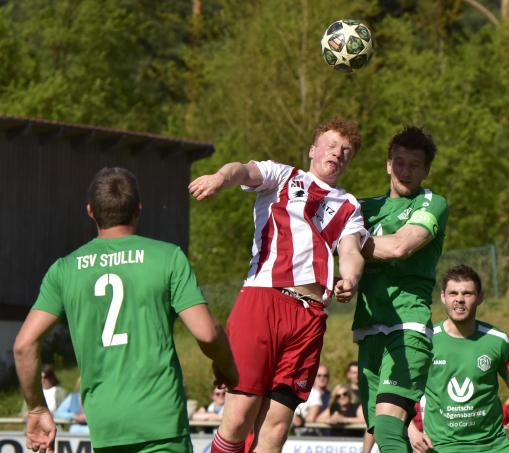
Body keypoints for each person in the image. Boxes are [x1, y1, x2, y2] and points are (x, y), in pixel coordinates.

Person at [13, 167, 238, 453]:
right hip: (162, 421)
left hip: (107, 426)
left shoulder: (64, 269)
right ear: (139, 210)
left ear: (91, 212)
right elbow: (207, 333)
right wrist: (226, 366)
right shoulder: (167, 257)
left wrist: (36, 409)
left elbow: (23, 346)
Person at [189, 118, 367, 453]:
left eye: (346, 151)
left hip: (309, 317)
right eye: (331, 145)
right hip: (264, 298)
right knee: (240, 415)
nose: (338, 153)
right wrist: (218, 178)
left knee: (276, 427)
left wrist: (351, 278)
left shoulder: (349, 205)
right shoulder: (284, 176)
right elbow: (240, 170)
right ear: (313, 149)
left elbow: (351, 251)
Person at [353, 125, 448, 453]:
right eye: (399, 162)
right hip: (367, 328)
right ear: (388, 164)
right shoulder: (364, 208)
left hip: (407, 326)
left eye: (414, 165)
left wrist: (352, 243)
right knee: (382, 430)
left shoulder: (432, 203)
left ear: (425, 170)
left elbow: (400, 247)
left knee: (391, 427)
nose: (405, 171)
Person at [408, 265, 509, 453]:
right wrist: (411, 431)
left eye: (467, 293)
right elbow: (398, 391)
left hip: (493, 446)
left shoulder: (498, 341)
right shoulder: (426, 339)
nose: (459, 300)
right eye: (453, 293)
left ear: (480, 297)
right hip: (441, 447)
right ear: (443, 297)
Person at [292, 365, 332, 434]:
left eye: (325, 376)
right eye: (319, 375)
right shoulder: (303, 394)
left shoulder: (334, 396)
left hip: (326, 436)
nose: (322, 378)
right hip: (304, 435)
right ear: (314, 376)